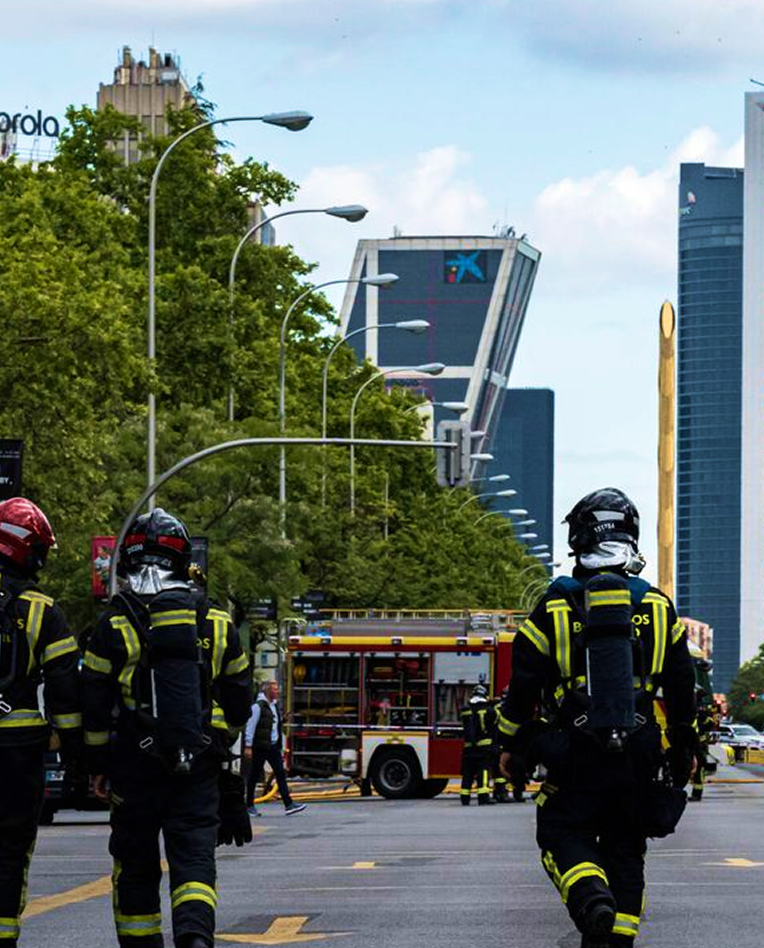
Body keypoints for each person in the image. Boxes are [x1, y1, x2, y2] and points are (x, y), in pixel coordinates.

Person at [498, 488, 696, 948]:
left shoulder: (554, 605)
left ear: (579, 539)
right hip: (640, 752)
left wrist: (508, 745)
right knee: (627, 848)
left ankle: (590, 895)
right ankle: (618, 936)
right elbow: (683, 690)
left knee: (561, 829)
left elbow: (522, 688)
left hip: (575, 752)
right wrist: (685, 749)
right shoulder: (658, 607)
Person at [81, 508, 253, 948]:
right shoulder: (215, 621)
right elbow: (238, 699)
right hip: (197, 766)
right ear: (183, 559)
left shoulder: (113, 623)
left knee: (135, 864)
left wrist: (97, 763)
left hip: (134, 768)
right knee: (194, 862)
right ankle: (195, 938)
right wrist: (216, 742)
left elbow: (94, 703)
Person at [0, 497, 82, 948]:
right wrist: (77, 756)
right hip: (16, 754)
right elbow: (66, 697)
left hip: (20, 752)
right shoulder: (42, 611)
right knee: (10, 852)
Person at [244, 680, 306, 816]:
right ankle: (249, 806)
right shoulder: (258, 707)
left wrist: (282, 720)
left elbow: (271, 725)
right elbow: (250, 727)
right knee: (254, 776)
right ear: (267, 691)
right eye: (275, 689)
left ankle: (289, 804)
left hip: (272, 746)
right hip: (260, 746)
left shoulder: (273, 706)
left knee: (280, 774)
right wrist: (248, 746)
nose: (277, 691)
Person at [459, 683, 496, 805]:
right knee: (483, 771)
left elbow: (466, 728)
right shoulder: (489, 710)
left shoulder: (466, 709)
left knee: (468, 773)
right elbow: (494, 726)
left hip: (469, 748)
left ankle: (465, 797)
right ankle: (483, 797)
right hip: (484, 748)